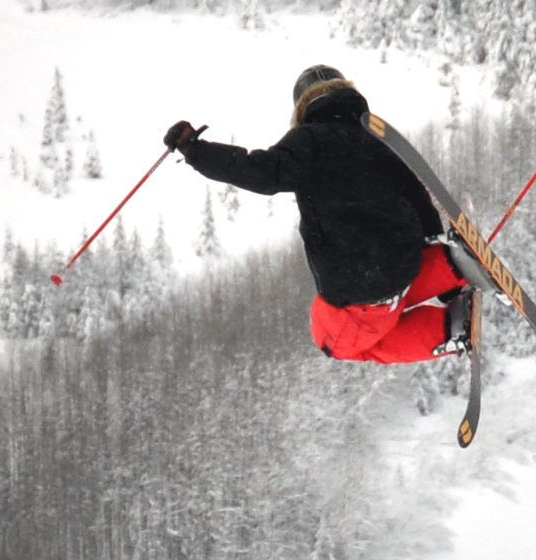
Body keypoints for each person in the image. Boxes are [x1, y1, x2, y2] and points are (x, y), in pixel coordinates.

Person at [164, 66, 471, 364]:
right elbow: (418, 201)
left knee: (333, 342)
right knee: (376, 296)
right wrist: (442, 259)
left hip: (360, 285)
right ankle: (450, 264)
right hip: (404, 264)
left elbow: (259, 171)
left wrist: (195, 150)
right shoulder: (379, 139)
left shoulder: (307, 142)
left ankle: (451, 328)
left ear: (302, 107)